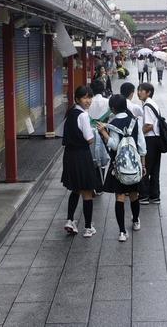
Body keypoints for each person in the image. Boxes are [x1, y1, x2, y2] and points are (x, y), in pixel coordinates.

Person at [97, 95, 147, 242]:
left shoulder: (113, 123)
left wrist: (104, 132)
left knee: (119, 197)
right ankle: (136, 220)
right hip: (134, 165)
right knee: (134, 195)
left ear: (112, 108)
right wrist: (143, 165)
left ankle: (122, 232)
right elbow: (142, 145)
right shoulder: (134, 122)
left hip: (118, 167)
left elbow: (114, 144)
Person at [61, 86, 103, 237]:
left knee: (75, 188)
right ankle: (87, 227)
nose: (88, 101)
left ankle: (70, 220)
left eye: (90, 97)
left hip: (69, 156)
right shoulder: (83, 115)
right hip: (81, 155)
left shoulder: (71, 112)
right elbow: (89, 139)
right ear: (77, 99)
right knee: (87, 191)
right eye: (85, 98)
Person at [138, 83, 162, 204]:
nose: (139, 92)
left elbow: (148, 125)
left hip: (150, 140)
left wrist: (139, 134)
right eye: (138, 90)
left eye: (141, 91)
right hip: (157, 140)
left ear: (148, 93)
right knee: (155, 169)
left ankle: (144, 195)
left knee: (145, 167)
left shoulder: (147, 105)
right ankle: (155, 195)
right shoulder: (153, 104)